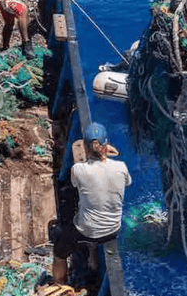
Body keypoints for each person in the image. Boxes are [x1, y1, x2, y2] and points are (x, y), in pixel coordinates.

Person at [52, 122, 132, 285]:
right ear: (106, 145)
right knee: (97, 204)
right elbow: (126, 182)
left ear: (86, 147)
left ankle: (58, 285)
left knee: (59, 251)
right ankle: (93, 258)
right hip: (112, 231)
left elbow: (75, 184)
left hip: (86, 231)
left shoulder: (79, 170)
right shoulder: (121, 167)